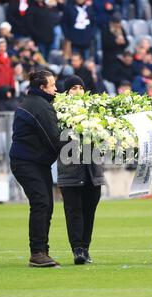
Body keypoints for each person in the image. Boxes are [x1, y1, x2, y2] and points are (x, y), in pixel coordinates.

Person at [9, 70, 62, 268]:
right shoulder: (40, 107)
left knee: (46, 203)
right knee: (41, 203)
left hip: (33, 162)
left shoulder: (34, 102)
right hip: (27, 162)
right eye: (52, 85)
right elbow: (53, 139)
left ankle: (42, 250)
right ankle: (37, 252)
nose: (56, 89)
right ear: (42, 88)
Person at [58, 75, 105, 265]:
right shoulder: (59, 112)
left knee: (89, 211)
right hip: (70, 170)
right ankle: (77, 249)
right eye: (73, 88)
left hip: (93, 170)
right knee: (73, 211)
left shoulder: (95, 111)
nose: (78, 92)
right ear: (66, 92)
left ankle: (85, 248)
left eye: (80, 88)